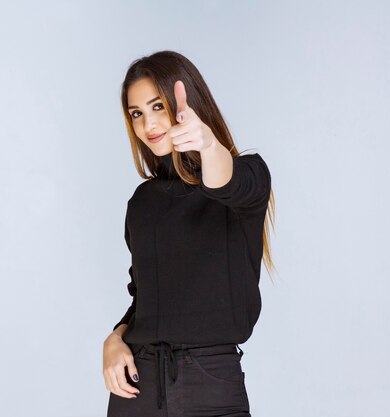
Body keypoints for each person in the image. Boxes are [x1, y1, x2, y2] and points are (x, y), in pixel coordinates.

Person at [102, 50, 276, 417]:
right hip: (137, 388)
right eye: (137, 113)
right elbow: (145, 298)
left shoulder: (249, 177)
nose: (148, 124)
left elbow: (224, 181)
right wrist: (115, 338)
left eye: (158, 107)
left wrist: (209, 145)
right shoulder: (142, 203)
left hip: (210, 387)